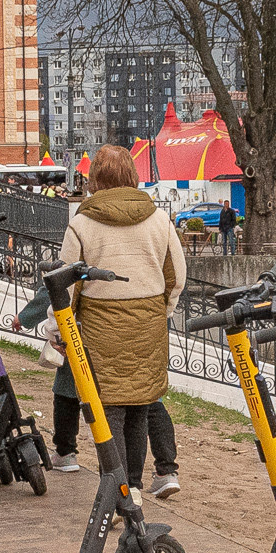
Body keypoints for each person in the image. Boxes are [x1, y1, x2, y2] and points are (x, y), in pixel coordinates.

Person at [52, 144, 186, 496]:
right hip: (148, 322)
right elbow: (177, 275)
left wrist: (58, 329)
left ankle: (117, 488)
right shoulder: (159, 218)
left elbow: (65, 284)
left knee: (107, 409)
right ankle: (137, 486)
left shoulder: (81, 223)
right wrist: (163, 310)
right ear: (132, 174)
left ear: (96, 178)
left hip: (101, 324)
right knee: (140, 407)